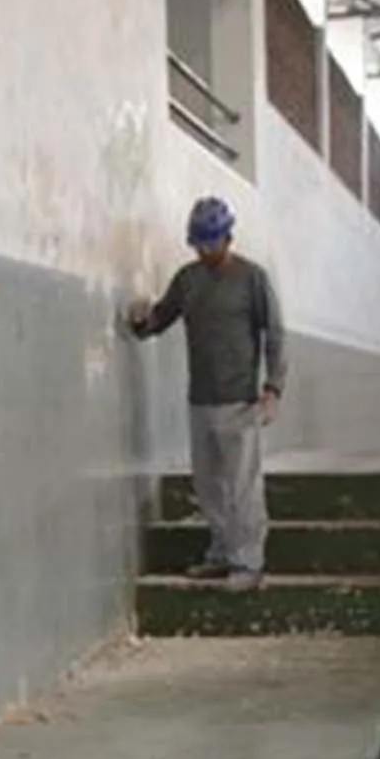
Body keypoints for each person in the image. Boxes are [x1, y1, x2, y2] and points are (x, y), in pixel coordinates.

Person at [128, 197, 286, 592]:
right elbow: (160, 319)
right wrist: (140, 322)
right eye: (198, 243)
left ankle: (248, 562)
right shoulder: (188, 280)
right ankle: (220, 552)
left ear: (227, 237)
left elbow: (276, 335)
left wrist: (273, 389)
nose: (204, 250)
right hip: (200, 398)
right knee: (209, 484)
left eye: (210, 243)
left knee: (242, 486)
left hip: (241, 400)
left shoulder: (252, 279)